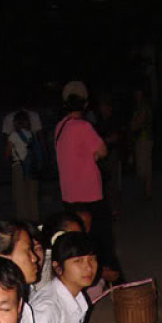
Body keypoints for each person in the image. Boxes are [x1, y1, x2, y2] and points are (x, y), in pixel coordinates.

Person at [54, 81, 116, 276]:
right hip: (89, 192)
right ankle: (111, 277)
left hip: (69, 192)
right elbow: (103, 150)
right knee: (101, 238)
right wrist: (95, 156)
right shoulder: (83, 126)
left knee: (75, 239)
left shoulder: (60, 126)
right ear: (85, 103)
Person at [3, 110, 40, 222]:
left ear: (16, 122)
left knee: (20, 197)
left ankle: (24, 224)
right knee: (32, 196)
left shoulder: (14, 135)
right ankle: (35, 221)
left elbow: (7, 153)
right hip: (32, 168)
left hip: (19, 167)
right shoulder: (31, 134)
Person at [130, 85, 154, 200]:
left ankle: (147, 191)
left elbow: (138, 123)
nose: (137, 95)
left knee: (144, 165)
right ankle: (146, 191)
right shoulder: (138, 107)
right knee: (144, 164)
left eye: (138, 93)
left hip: (144, 138)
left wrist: (132, 126)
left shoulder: (143, 107)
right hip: (141, 138)